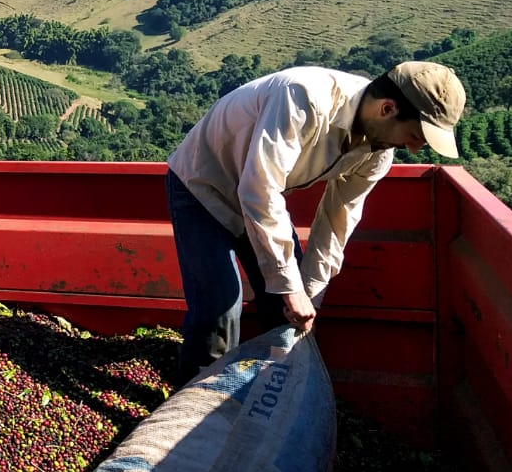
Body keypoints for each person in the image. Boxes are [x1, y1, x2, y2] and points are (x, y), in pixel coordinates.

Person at [165, 60, 465, 386]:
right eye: (414, 134)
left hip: (257, 199)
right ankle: (194, 405)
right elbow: (260, 190)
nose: (414, 147)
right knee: (221, 307)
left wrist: (308, 296)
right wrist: (291, 288)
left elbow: (337, 222)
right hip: (203, 184)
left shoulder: (377, 154)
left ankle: (263, 393)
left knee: (284, 307)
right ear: (388, 108)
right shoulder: (303, 98)